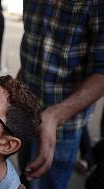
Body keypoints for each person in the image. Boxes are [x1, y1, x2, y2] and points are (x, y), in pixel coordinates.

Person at [18, 1, 104, 189]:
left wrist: (54, 115)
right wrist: (11, 92)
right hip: (24, 114)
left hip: (62, 129)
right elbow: (30, 49)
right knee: (23, 180)